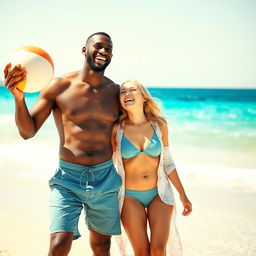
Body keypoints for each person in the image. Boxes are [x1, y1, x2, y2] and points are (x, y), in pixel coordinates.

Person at [3, 32, 122, 256]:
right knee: (59, 243)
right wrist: (19, 99)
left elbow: (135, 128)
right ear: (84, 50)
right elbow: (27, 132)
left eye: (108, 49)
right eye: (98, 46)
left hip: (105, 177)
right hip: (68, 178)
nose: (103, 51)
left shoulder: (115, 92)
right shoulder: (60, 86)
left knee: (101, 246)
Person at [112, 80, 192, 256]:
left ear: (144, 97)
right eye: (122, 92)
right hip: (129, 197)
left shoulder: (159, 125)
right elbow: (108, 163)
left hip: (159, 194)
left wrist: (183, 194)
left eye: (132, 90)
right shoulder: (117, 129)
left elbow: (168, 162)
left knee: (157, 250)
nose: (127, 94)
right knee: (141, 252)